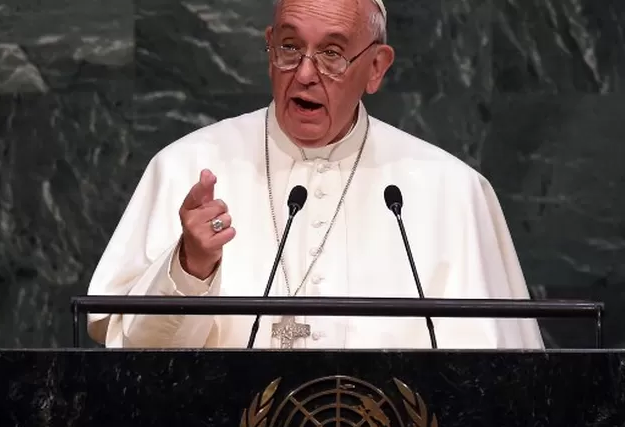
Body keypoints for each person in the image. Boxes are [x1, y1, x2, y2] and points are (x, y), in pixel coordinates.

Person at [86, 0, 545, 350]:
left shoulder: (452, 192)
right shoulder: (186, 166)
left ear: (377, 67)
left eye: (332, 53)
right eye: (290, 47)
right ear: (269, 47)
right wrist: (188, 267)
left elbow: (499, 385)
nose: (305, 73)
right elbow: (130, 358)